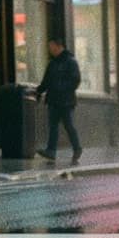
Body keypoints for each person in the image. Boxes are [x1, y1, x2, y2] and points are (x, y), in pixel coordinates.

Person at [36, 36, 82, 164]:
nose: (49, 49)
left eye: (51, 46)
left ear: (58, 46)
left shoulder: (70, 61)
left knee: (69, 125)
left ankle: (77, 148)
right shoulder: (52, 63)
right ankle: (51, 151)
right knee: (53, 126)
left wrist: (62, 89)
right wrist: (39, 91)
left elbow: (75, 80)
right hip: (53, 100)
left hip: (66, 101)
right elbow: (46, 81)